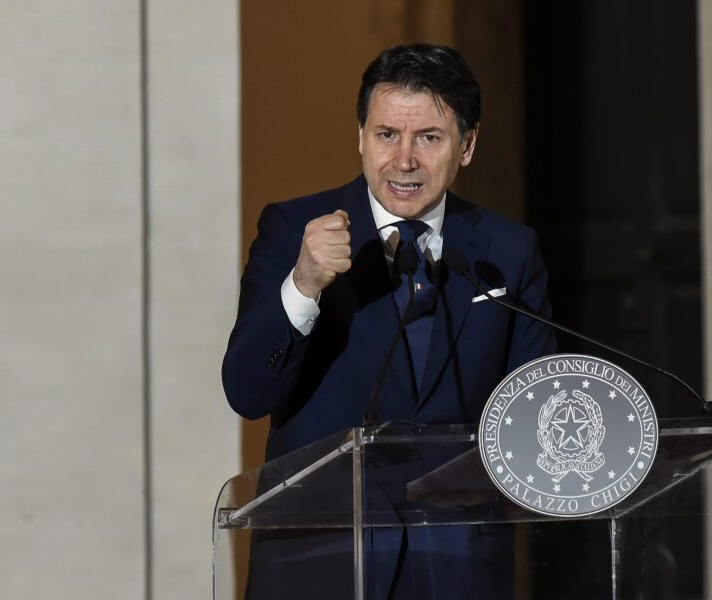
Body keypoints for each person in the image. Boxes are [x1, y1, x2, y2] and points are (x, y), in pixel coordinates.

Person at [222, 43, 556, 599]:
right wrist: (303, 283)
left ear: (467, 145)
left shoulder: (508, 250)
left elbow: (536, 411)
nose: (404, 161)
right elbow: (247, 391)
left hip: (456, 567)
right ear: (360, 137)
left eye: (429, 138)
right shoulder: (294, 230)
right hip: (322, 562)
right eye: (386, 135)